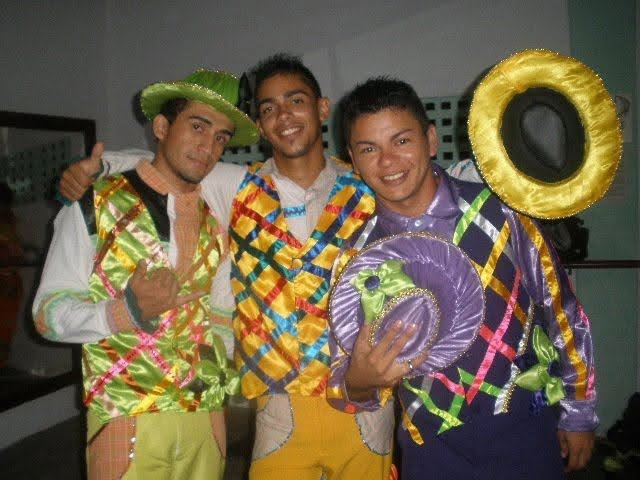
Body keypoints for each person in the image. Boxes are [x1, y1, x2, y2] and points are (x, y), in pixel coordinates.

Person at [57, 54, 400, 480]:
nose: (283, 116)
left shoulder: (371, 186)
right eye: (269, 108)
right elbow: (167, 162)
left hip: (365, 401)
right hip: (279, 410)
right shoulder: (235, 184)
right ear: (260, 125)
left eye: (295, 101)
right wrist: (101, 165)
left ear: (322, 108)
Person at [326, 77, 598, 479]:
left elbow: (562, 311)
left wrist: (578, 412)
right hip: (431, 449)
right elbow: (345, 385)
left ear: (430, 140)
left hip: (525, 429)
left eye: (402, 141)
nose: (388, 161)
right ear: (352, 158)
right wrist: (359, 381)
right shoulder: (358, 258)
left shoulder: (502, 214)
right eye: (369, 149)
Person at [33, 69, 259, 480]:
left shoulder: (216, 220)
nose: (209, 147)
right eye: (198, 127)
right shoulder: (94, 204)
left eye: (221, 137)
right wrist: (125, 312)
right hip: (126, 412)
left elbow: (220, 315)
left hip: (204, 416)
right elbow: (47, 315)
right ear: (161, 127)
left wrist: (223, 375)